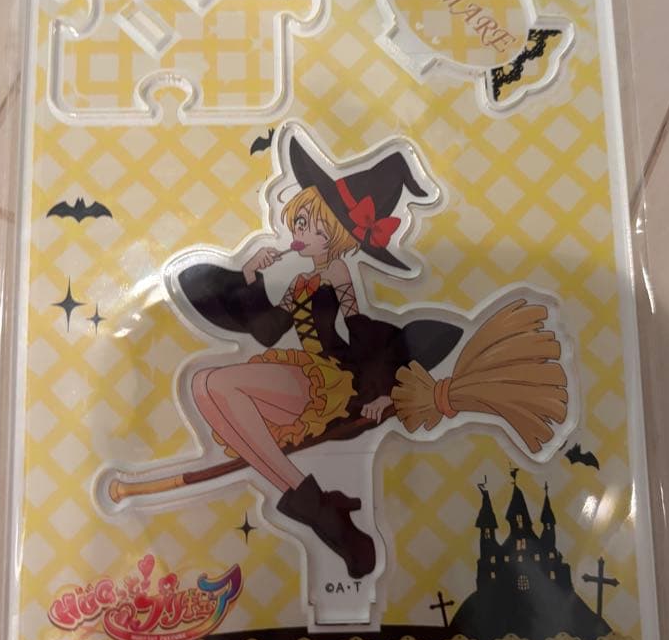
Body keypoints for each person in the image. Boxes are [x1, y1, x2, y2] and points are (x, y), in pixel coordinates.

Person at [175, 138, 464, 579]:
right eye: (296, 223)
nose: (296, 233)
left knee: (217, 385)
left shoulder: (338, 273)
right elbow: (268, 332)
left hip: (333, 381)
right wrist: (250, 275)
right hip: (297, 376)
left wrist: (382, 393)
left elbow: (362, 331)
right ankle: (325, 513)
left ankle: (320, 509)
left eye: (306, 224)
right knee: (201, 386)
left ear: (335, 231)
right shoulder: (300, 281)